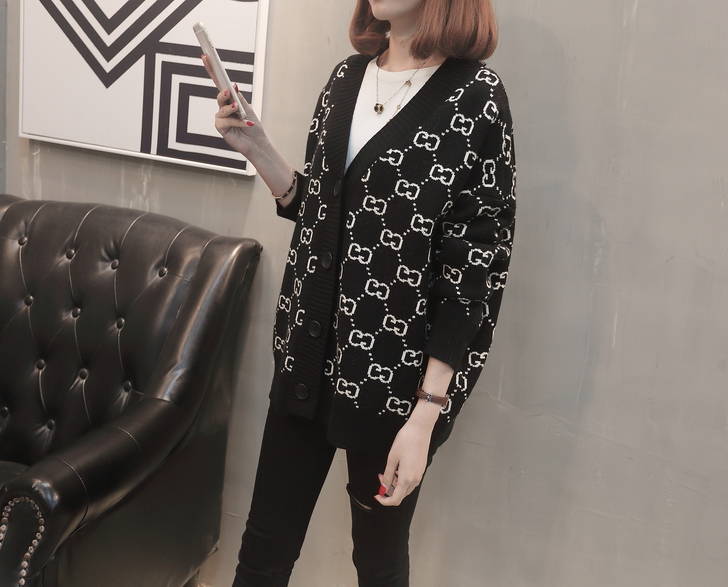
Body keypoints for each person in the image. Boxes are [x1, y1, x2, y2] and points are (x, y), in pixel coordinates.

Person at [201, 1, 516, 585]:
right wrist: (257, 148)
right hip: (305, 358)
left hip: (393, 386)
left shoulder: (476, 98)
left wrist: (425, 416)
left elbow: (472, 274)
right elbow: (322, 213)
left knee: (377, 565)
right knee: (261, 557)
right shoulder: (347, 77)